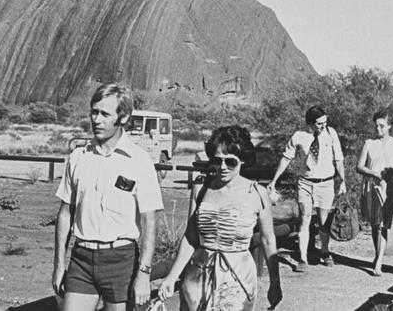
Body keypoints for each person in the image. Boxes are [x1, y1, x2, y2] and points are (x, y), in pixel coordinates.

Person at [51, 83, 164, 311]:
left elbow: (150, 221)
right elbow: (65, 213)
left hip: (121, 258)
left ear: (123, 118)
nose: (96, 120)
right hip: (81, 257)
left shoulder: (138, 160)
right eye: (94, 112)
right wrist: (58, 264)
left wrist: (144, 274)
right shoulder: (78, 157)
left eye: (105, 114)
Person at [158, 126, 282, 310]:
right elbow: (191, 237)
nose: (222, 167)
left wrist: (275, 281)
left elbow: (267, 239)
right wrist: (171, 277)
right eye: (217, 160)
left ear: (242, 160)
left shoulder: (257, 193)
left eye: (230, 162)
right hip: (198, 277)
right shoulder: (200, 189)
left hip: (237, 279)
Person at [267, 105, 346, 272]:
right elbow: (286, 158)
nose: (323, 126)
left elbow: (338, 159)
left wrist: (343, 181)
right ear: (310, 123)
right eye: (319, 123)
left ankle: (324, 251)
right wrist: (274, 181)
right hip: (305, 183)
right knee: (305, 218)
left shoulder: (331, 134)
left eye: (325, 122)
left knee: (324, 221)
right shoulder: (299, 137)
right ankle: (302, 257)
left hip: (326, 183)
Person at [355, 110, 393, 276]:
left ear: (389, 126)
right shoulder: (369, 143)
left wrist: (391, 172)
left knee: (383, 223)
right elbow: (360, 166)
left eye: (382, 126)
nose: (378, 129)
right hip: (371, 185)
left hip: (388, 186)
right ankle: (378, 254)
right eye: (376, 125)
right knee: (374, 224)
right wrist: (375, 173)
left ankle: (378, 262)